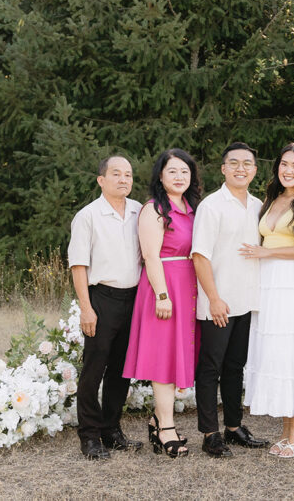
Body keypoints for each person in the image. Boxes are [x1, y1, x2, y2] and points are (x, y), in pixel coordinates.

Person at [240, 142, 294, 459]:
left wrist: (267, 252)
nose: (289, 170)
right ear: (277, 167)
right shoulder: (271, 198)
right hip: (268, 283)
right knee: (274, 352)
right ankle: (289, 426)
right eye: (284, 164)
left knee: (292, 353)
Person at [122, 149, 202, 458]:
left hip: (189, 286)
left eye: (185, 171)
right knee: (163, 359)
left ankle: (158, 419)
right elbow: (151, 255)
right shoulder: (154, 209)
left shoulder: (192, 208)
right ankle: (166, 426)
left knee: (177, 356)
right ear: (160, 176)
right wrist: (162, 295)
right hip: (164, 287)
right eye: (173, 171)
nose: (180, 176)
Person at [191, 142, 269, 458]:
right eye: (233, 163)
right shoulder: (212, 206)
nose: (240, 168)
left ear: (254, 169)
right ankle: (210, 434)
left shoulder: (258, 206)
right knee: (211, 367)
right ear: (223, 168)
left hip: (246, 300)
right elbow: (200, 256)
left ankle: (234, 427)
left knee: (236, 366)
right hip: (218, 302)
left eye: (247, 163)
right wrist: (213, 298)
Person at [68, 156, 145, 461]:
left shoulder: (141, 211)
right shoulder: (87, 216)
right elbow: (78, 265)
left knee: (121, 371)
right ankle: (89, 436)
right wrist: (86, 309)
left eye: (128, 174)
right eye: (116, 174)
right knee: (94, 370)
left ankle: (111, 430)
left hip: (134, 299)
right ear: (101, 180)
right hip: (101, 299)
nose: (123, 179)